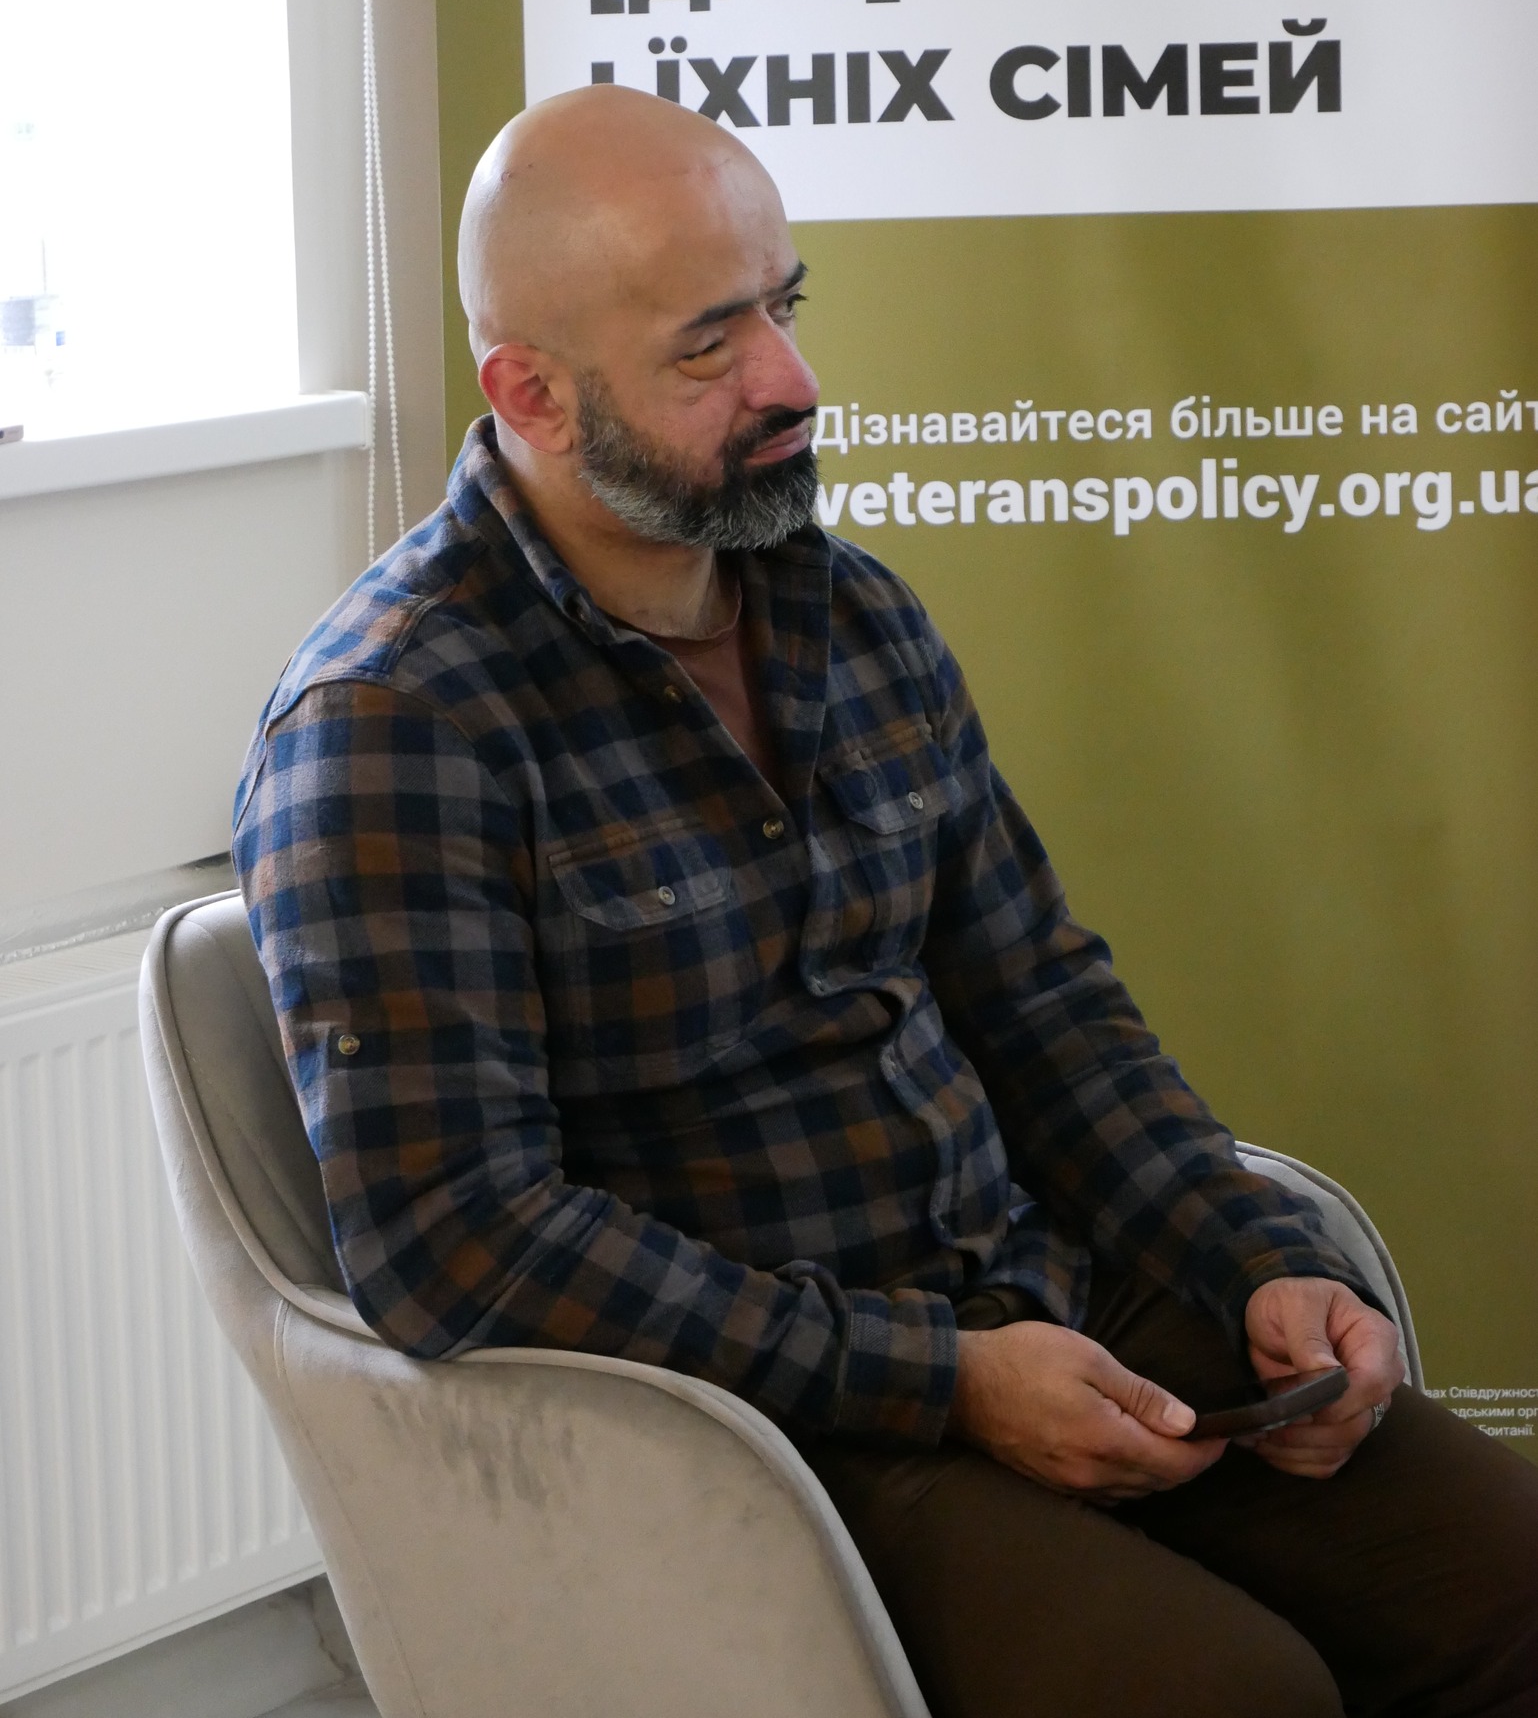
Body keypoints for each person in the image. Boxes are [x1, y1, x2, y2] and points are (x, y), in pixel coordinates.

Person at [233, 85, 1538, 1718]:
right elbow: (454, 1240)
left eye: (781, 307)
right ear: (532, 395)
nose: (790, 380)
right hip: (775, 1430)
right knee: (1227, 1694)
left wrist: (1250, 1256)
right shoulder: (393, 721)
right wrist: (943, 1384)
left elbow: (1038, 1000)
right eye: (708, 348)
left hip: (1037, 1297)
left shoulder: (849, 614)